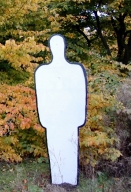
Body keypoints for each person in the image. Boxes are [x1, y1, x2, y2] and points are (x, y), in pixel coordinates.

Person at [35, 34, 87, 186]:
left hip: (70, 119)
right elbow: (42, 96)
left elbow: (80, 94)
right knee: (56, 150)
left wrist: (79, 119)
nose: (57, 48)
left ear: (64, 46)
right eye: (54, 45)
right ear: (50, 48)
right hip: (53, 120)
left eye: (60, 45)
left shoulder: (75, 70)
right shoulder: (43, 72)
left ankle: (71, 180)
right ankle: (57, 180)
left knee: (69, 151)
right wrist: (46, 120)